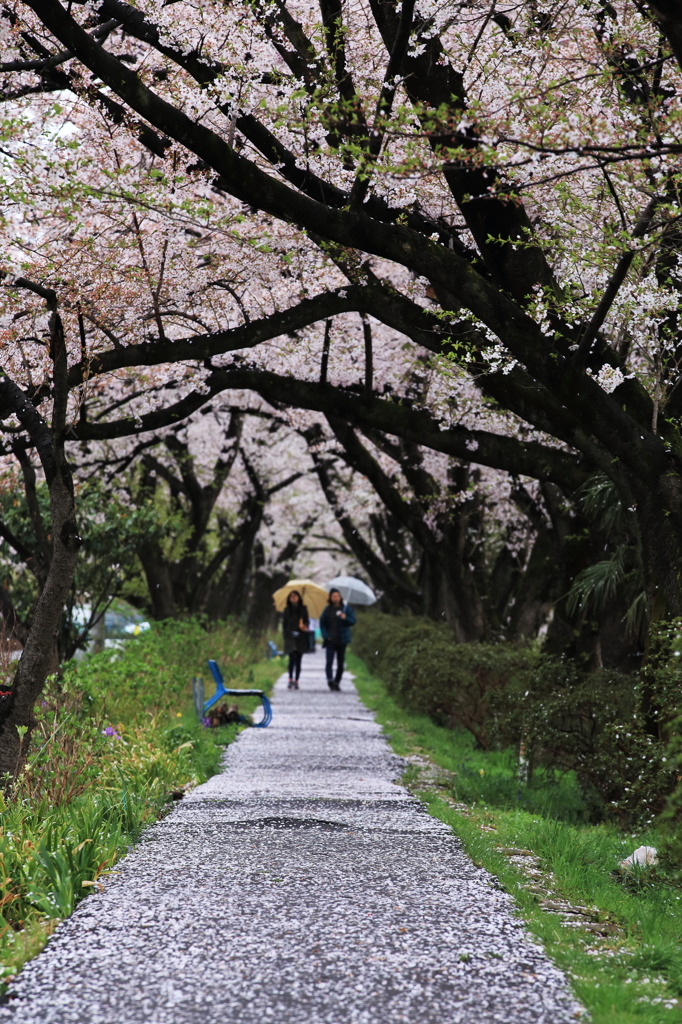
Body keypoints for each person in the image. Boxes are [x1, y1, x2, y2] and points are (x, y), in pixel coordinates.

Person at [319, 588, 356, 691]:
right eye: (334, 596)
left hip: (342, 640)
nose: (336, 598)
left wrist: (345, 618)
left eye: (338, 596)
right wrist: (326, 636)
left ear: (340, 597)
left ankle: (337, 681)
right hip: (330, 640)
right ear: (330, 598)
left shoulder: (346, 609)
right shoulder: (327, 610)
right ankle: (330, 680)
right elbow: (322, 624)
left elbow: (353, 621)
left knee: (340, 663)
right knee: (329, 661)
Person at [282, 590, 310, 689]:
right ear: (289, 598)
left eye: (295, 596)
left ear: (299, 597)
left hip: (300, 638)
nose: (294, 598)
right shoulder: (286, 610)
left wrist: (303, 626)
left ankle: (297, 680)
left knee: (298, 660)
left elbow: (307, 623)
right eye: (291, 596)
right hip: (290, 638)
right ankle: (290, 679)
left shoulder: (303, 609)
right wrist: (285, 636)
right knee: (291, 659)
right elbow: (284, 625)